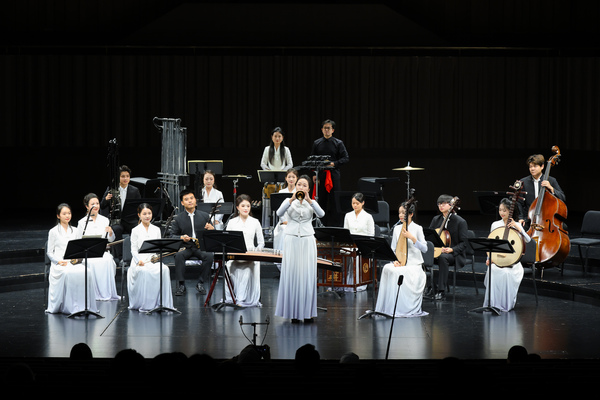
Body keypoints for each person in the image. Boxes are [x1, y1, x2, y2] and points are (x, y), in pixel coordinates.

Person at [275, 175, 325, 323]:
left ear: (308, 189)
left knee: (306, 274)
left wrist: (310, 201)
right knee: (292, 273)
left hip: (307, 239)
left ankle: (307, 313)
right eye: (299, 184)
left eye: (304, 185)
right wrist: (291, 199)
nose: (301, 187)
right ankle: (293, 313)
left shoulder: (312, 203)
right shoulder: (288, 201)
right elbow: (279, 213)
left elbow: (321, 214)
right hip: (291, 239)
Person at [374, 201, 428, 317]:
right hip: (401, 263)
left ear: (411, 214)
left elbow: (425, 248)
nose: (401, 215)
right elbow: (393, 249)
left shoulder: (417, 228)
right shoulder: (397, 229)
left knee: (397, 272)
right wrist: (394, 260)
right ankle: (387, 307)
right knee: (387, 268)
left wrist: (412, 238)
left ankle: (401, 308)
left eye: (404, 213)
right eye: (399, 213)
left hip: (414, 265)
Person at [45, 203, 97, 315]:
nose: (67, 216)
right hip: (60, 263)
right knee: (68, 273)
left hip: (73, 262)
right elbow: (49, 252)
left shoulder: (75, 230)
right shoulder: (53, 231)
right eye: (64, 214)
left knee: (87, 271)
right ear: (58, 216)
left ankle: (84, 305)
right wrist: (58, 261)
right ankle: (70, 306)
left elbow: (79, 247)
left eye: (69, 213)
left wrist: (78, 258)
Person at [484, 198, 531, 312]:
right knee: (493, 270)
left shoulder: (516, 224)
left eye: (504, 210)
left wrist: (518, 228)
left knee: (506, 273)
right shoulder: (495, 224)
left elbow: (528, 239)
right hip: (497, 259)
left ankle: (505, 304)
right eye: (500, 210)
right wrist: (489, 258)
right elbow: (491, 243)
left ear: (510, 211)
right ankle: (492, 304)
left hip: (512, 262)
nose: (502, 213)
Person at [128, 203, 175, 313]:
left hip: (152, 260)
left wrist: (157, 257)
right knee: (144, 271)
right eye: (144, 214)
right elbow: (133, 249)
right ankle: (146, 304)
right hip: (139, 260)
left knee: (165, 269)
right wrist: (138, 260)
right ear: (139, 215)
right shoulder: (135, 230)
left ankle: (163, 303)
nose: (147, 216)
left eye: (149, 213)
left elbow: (159, 248)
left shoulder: (156, 229)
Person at [169, 189, 215, 296]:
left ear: (195, 200)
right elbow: (171, 236)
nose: (190, 201)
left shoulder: (205, 216)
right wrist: (181, 237)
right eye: (186, 199)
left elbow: (213, 235)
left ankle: (201, 283)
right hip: (186, 247)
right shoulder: (178, 218)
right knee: (179, 256)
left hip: (200, 247)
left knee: (209, 256)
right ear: (182, 203)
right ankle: (181, 285)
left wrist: (212, 229)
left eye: (191, 198)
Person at [76, 193, 120, 301]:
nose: (96, 206)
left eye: (97, 203)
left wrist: (110, 232)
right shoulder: (82, 222)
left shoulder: (105, 220)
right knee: (91, 263)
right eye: (92, 204)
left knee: (108, 260)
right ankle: (94, 294)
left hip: (101, 252)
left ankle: (107, 292)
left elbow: (111, 240)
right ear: (87, 206)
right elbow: (77, 241)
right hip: (88, 253)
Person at [223, 194, 265, 307]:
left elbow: (261, 242)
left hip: (250, 255)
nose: (246, 208)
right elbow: (227, 240)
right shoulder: (232, 222)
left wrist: (257, 250)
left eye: (248, 206)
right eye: (243, 206)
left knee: (247, 269)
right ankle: (231, 297)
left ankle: (241, 299)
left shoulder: (255, 222)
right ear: (237, 207)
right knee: (228, 266)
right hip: (236, 254)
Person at [427, 194, 468, 300]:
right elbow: (430, 237)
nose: (440, 206)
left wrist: (452, 249)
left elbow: (464, 243)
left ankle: (441, 291)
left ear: (451, 205)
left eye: (443, 203)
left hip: (454, 254)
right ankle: (430, 286)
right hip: (438, 251)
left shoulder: (460, 222)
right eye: (439, 204)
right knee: (422, 255)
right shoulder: (436, 219)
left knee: (443, 257)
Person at [310, 119, 349, 227]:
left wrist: (334, 163)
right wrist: (314, 174)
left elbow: (345, 158)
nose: (326, 130)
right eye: (325, 128)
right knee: (321, 201)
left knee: (335, 201)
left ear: (333, 130)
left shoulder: (338, 143)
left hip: (333, 175)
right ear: (322, 129)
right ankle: (321, 226)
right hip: (321, 175)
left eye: (329, 128)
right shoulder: (317, 143)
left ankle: (337, 227)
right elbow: (312, 159)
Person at [100, 165, 141, 257]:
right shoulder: (111, 189)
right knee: (117, 229)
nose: (125, 178)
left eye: (127, 176)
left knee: (137, 228)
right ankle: (119, 256)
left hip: (130, 219)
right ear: (118, 178)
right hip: (116, 220)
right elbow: (102, 205)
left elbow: (139, 206)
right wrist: (106, 199)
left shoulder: (134, 190)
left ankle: (135, 254)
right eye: (122, 176)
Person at [517, 153, 566, 230]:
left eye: (535, 166)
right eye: (530, 167)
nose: (532, 169)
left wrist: (551, 188)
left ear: (542, 166)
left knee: (563, 228)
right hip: (530, 219)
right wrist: (521, 218)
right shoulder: (523, 182)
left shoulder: (551, 180)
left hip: (547, 218)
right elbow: (519, 202)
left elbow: (562, 197)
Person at [343, 192, 375, 291]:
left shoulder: (368, 217)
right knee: (344, 254)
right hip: (351, 244)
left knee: (358, 256)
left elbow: (371, 234)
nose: (355, 205)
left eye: (357, 203)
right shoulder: (348, 215)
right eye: (353, 203)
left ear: (363, 203)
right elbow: (345, 232)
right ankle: (347, 282)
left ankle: (360, 282)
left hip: (363, 244)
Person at [272, 168, 298, 252]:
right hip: (283, 221)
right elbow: (280, 210)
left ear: (296, 178)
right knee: (283, 229)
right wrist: (284, 221)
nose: (291, 179)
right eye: (289, 177)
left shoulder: (299, 192)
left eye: (293, 177)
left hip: (295, 221)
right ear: (286, 178)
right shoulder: (281, 192)